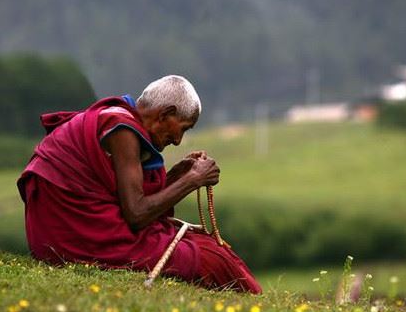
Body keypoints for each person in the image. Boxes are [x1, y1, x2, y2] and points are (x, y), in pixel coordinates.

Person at [17, 75, 262, 294]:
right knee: (209, 258)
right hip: (75, 234)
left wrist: (176, 175)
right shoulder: (121, 129)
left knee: (207, 247)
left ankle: (254, 300)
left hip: (73, 228)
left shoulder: (122, 119)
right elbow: (136, 213)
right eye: (183, 129)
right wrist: (191, 180)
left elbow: (128, 195)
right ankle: (254, 301)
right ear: (165, 114)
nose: (178, 141)